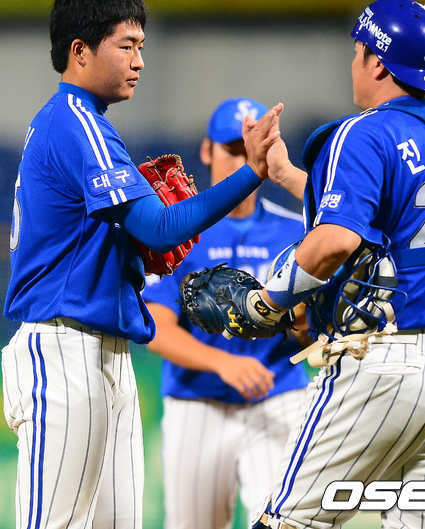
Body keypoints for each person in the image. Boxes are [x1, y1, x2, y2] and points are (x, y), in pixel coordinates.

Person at [1, 0, 283, 528]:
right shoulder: (74, 123)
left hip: (104, 352)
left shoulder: (88, 126)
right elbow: (160, 228)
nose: (139, 61)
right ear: (80, 50)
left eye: (142, 46)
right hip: (63, 350)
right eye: (126, 45)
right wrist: (251, 172)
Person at [246, 0, 425, 528]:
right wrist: (284, 174)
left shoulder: (364, 131)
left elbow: (336, 238)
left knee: (288, 521)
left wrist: (266, 302)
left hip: (385, 363)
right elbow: (377, 215)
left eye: (358, 51)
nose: (354, 61)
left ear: (377, 61)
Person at [143, 97, 310, 529]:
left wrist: (304, 325)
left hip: (279, 395)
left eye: (251, 149)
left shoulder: (294, 229)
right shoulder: (182, 230)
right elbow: (156, 328)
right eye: (232, 149)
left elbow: (309, 332)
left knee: (287, 522)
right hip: (198, 402)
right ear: (207, 151)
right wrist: (224, 363)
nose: (242, 158)